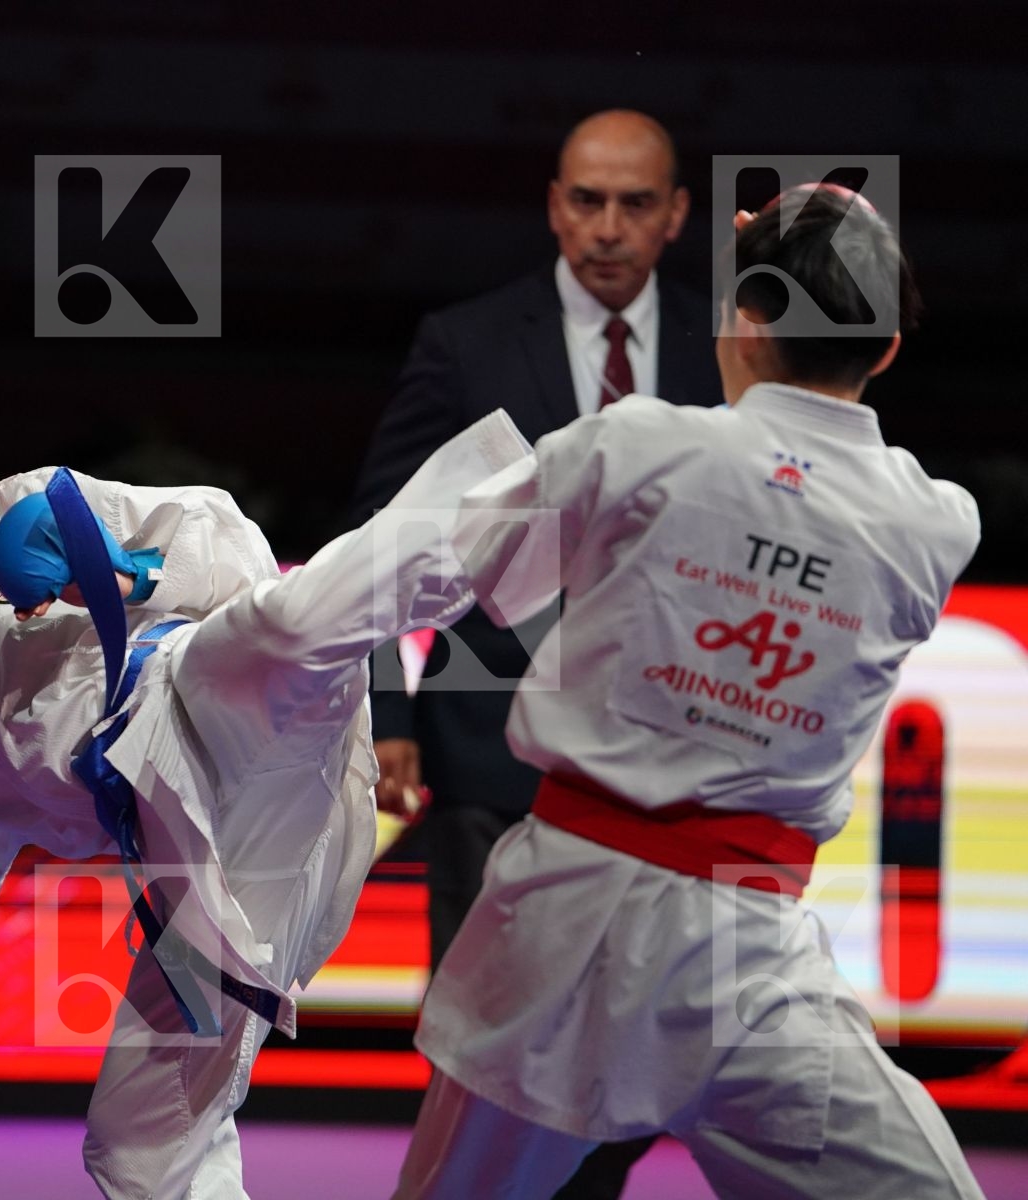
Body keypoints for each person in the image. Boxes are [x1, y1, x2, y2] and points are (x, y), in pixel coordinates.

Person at [0, 362, 536, 1199]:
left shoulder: (30, 507)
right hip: (206, 865)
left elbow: (223, 536)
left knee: (298, 615)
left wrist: (125, 571)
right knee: (138, 1149)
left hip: (205, 702)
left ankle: (545, 491)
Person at [390, 187, 987, 1198]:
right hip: (750, 954)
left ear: (742, 323)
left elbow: (473, 576)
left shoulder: (635, 444)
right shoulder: (939, 523)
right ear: (884, 347)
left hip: (563, 926)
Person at [350, 108, 717, 1196]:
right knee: (486, 1051)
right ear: (555, 205)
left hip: (667, 766)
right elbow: (379, 540)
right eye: (586, 200)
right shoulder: (463, 341)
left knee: (628, 1049)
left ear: (676, 217)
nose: (607, 227)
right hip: (489, 751)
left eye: (634, 204)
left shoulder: (728, 349)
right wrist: (392, 715)